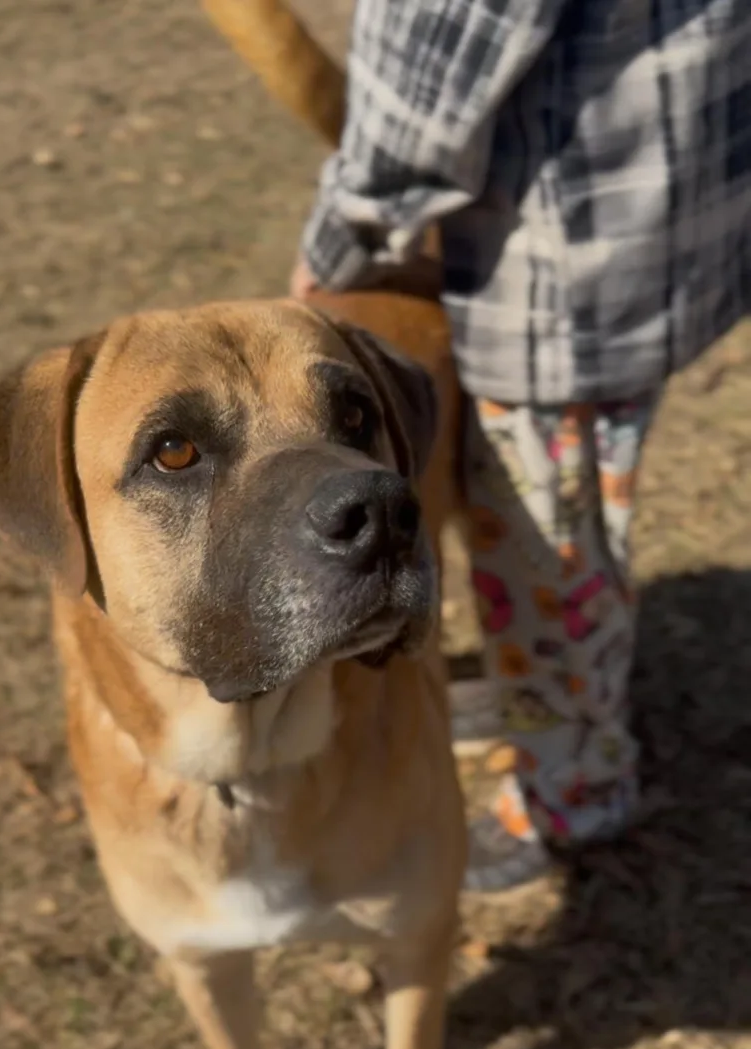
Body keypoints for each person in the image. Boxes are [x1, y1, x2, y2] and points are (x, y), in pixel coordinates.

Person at [290, 0, 751, 889]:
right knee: (568, 525)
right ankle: (552, 720)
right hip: (652, 212)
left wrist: (348, 226)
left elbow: (440, 42)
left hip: (560, 265)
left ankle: (573, 790)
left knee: (549, 556)